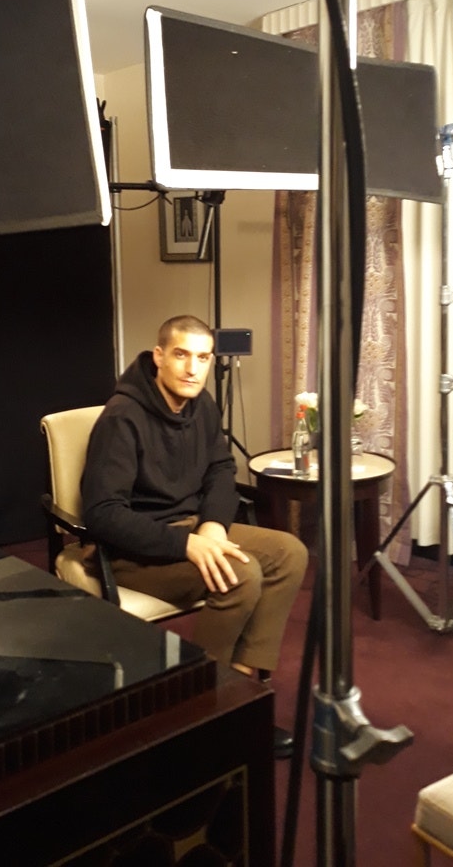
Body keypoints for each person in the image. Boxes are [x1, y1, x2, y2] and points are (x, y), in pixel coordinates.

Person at [81, 314, 308, 758]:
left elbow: (221, 468)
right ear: (158, 356)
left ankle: (236, 691)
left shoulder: (202, 405)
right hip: (133, 550)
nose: (192, 369)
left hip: (191, 529)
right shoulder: (121, 417)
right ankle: (192, 707)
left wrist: (212, 526)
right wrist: (186, 544)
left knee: (290, 553)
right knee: (241, 576)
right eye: (181, 355)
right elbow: (103, 514)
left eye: (203, 358)